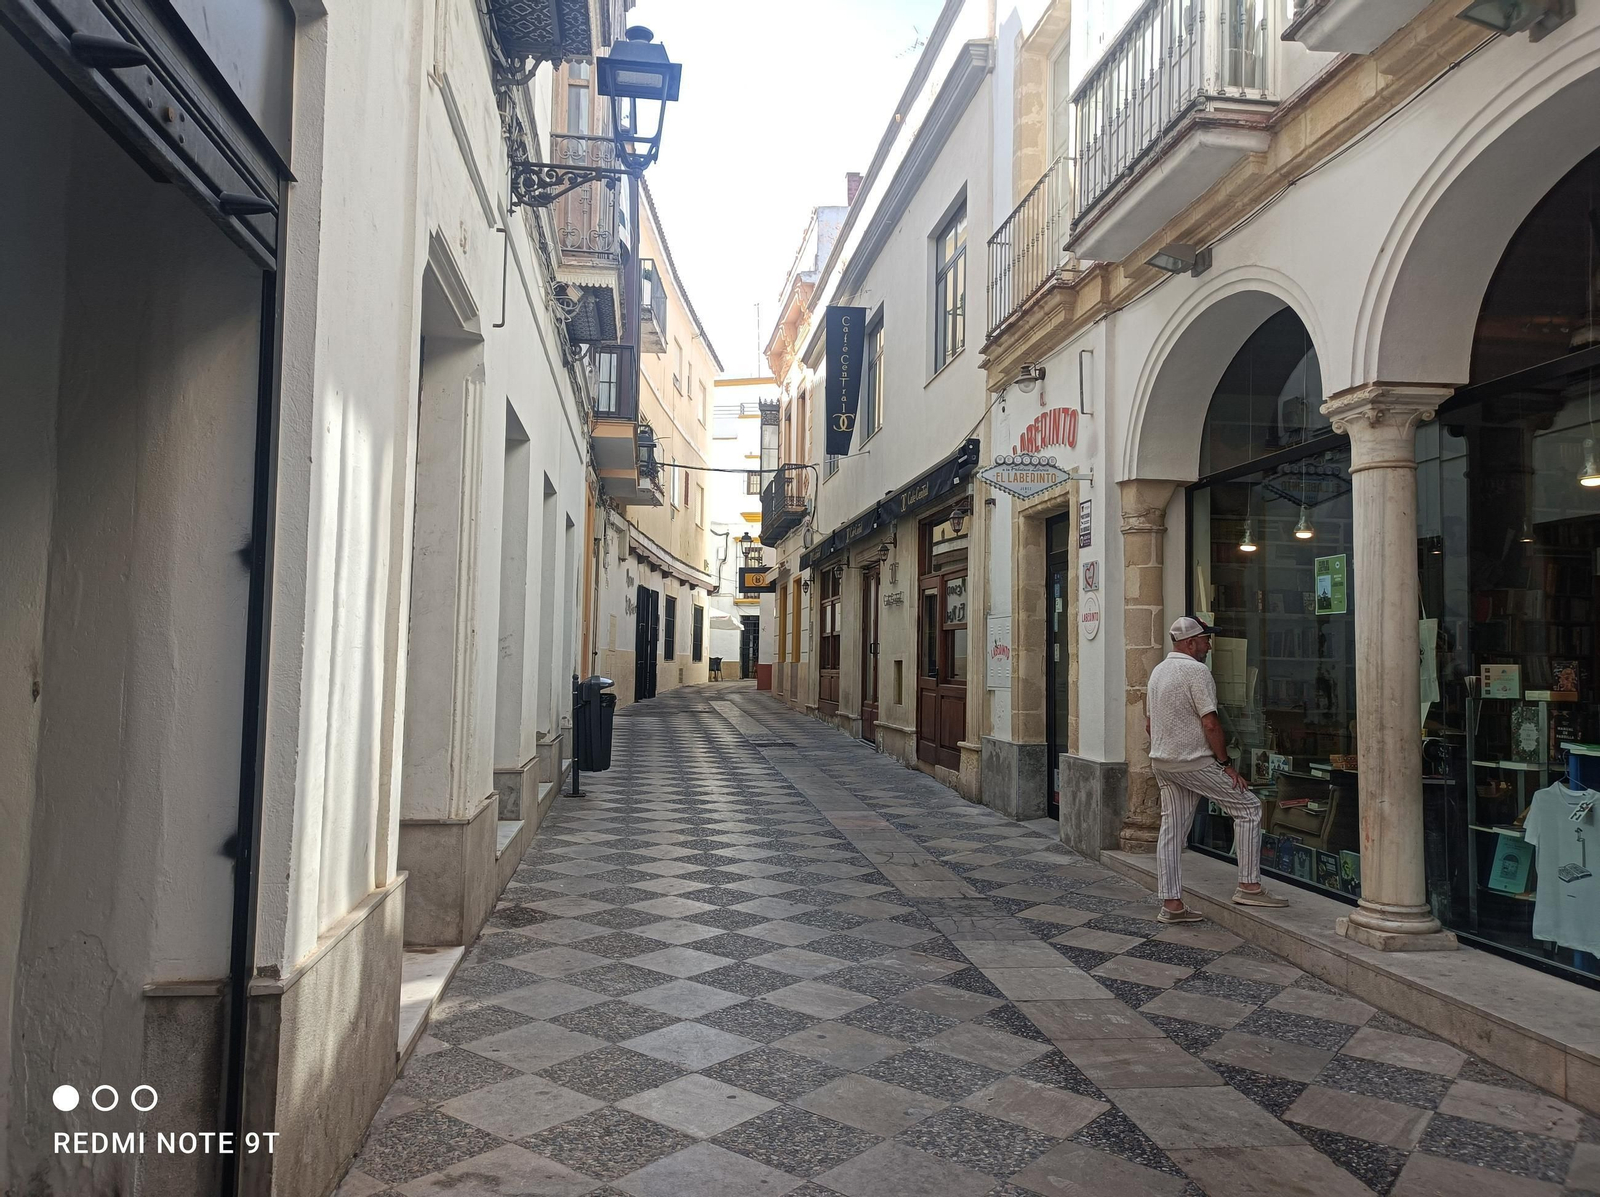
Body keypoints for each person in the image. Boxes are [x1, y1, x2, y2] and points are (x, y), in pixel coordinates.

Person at [1145, 616, 1288, 924]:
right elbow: (1210, 722)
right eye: (1206, 639)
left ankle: (1171, 904)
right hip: (1193, 761)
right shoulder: (1196, 671)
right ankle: (1249, 886)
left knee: (1172, 830)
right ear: (1190, 643)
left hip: (1163, 762)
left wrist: (1167, 749)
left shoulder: (1158, 671)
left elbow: (1149, 723)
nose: (1209, 644)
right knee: (1249, 806)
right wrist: (1225, 765)